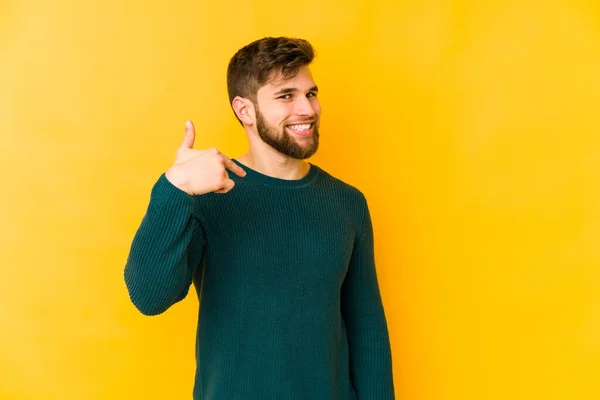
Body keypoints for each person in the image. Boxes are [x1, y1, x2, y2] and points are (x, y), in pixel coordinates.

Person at [124, 36, 395, 400]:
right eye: (286, 96)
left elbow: (367, 328)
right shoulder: (208, 197)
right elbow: (149, 296)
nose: (308, 109)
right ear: (245, 110)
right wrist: (175, 187)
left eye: (310, 94)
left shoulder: (347, 203)